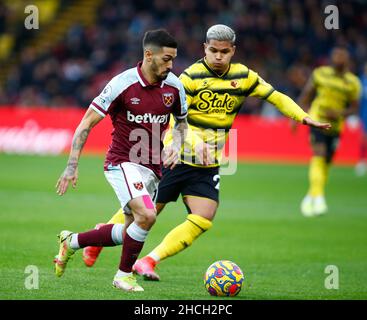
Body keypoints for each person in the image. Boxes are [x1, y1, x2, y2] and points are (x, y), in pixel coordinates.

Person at [82, 24, 330, 280]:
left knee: (204, 216)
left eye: (224, 51)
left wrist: (302, 117)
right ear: (205, 49)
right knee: (142, 214)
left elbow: (276, 97)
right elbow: (173, 118)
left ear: (233, 50)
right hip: (174, 159)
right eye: (213, 50)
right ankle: (100, 235)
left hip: (207, 163)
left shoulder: (244, 76)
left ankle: (148, 261)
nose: (218, 56)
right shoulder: (189, 77)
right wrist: (193, 141)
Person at [53, 29, 188, 292]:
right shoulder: (121, 84)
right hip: (122, 162)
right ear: (148, 55)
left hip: (152, 168)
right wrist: (72, 165)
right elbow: (86, 124)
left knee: (129, 231)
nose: (171, 65)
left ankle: (72, 241)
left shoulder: (174, 86)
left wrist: (177, 146)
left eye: (173, 59)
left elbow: (182, 122)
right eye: (166, 59)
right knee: (147, 216)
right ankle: (123, 276)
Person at [298, 46, 361, 217]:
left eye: (342, 56)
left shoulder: (352, 82)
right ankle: (319, 198)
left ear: (347, 60)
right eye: (336, 56)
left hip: (336, 126)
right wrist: (299, 117)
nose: (338, 59)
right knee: (319, 154)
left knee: (326, 162)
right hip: (317, 120)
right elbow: (306, 96)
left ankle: (311, 197)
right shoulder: (320, 74)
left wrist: (339, 113)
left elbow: (355, 108)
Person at [355, 62, 367, 176]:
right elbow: (357, 100)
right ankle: (362, 161)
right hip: (365, 113)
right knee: (364, 138)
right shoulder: (361, 81)